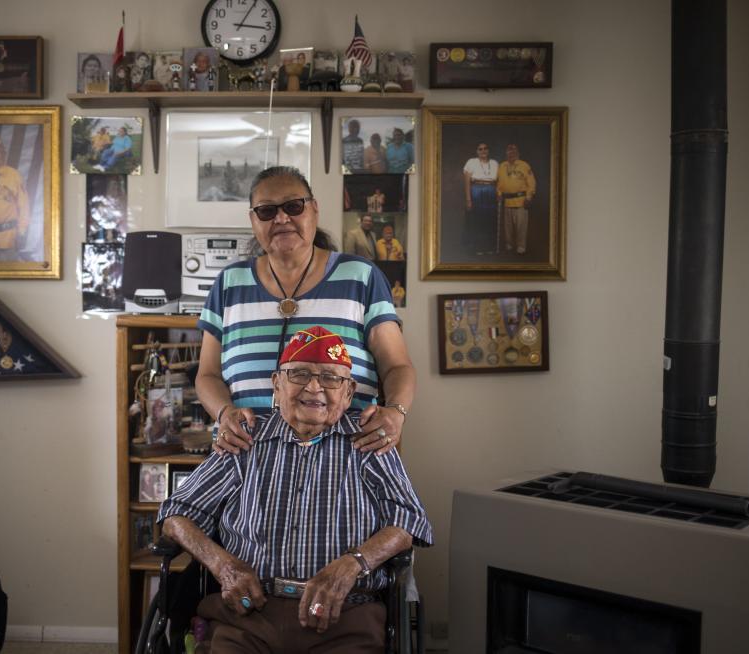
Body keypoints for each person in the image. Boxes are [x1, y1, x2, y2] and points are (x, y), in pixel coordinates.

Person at [160, 326, 432, 652]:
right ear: (277, 383)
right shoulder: (244, 440)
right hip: (248, 614)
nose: (314, 387)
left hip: (345, 614)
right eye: (299, 374)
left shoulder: (370, 442)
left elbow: (409, 521)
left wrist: (351, 565)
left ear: (348, 393)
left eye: (330, 378)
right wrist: (224, 566)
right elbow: (175, 515)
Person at [197, 167, 414, 458]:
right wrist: (224, 413)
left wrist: (396, 412)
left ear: (314, 209)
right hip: (246, 459)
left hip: (345, 460)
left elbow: (397, 367)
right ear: (253, 219)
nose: (282, 218)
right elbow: (207, 375)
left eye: (293, 206)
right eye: (266, 211)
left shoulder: (361, 277)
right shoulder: (229, 283)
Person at [497, 143, 536, 255]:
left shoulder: (524, 165)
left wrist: (529, 197)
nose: (511, 153)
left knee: (521, 226)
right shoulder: (502, 165)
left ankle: (521, 246)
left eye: (514, 151)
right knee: (508, 227)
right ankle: (509, 244)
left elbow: (532, 183)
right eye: (509, 151)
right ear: (506, 153)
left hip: (521, 201)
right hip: (507, 201)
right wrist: (498, 193)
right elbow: (499, 183)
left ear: (518, 153)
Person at [463, 142, 499, 255]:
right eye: (480, 149)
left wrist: (497, 193)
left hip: (491, 190)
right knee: (477, 220)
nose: (483, 151)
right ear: (477, 151)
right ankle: (477, 247)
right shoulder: (471, 162)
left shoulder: (494, 163)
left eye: (485, 148)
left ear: (488, 151)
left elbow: (498, 181)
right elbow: (467, 182)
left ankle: (489, 247)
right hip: (476, 190)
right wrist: (468, 199)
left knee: (490, 219)